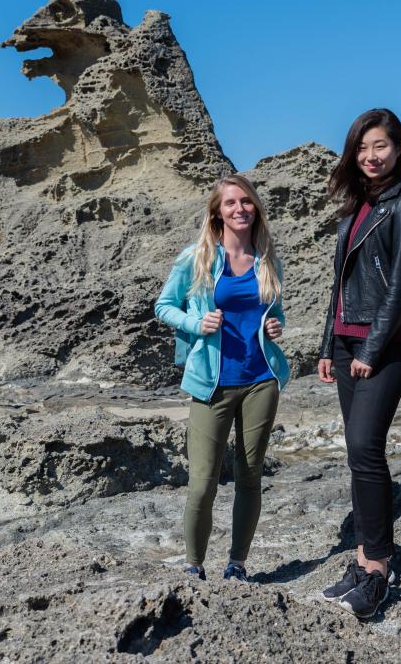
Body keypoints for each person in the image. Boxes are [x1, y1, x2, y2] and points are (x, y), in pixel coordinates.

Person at [316, 108, 401, 619]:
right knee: (358, 454)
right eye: (363, 149)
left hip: (385, 346)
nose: (370, 156)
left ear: (399, 147)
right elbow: (341, 286)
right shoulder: (360, 204)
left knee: (365, 446)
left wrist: (369, 350)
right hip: (346, 346)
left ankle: (379, 569)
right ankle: (364, 561)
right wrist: (327, 346)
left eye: (379, 146)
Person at [155, 174, 290, 583]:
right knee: (202, 483)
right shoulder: (197, 257)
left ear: (256, 209)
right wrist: (197, 322)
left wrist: (277, 328)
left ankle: (237, 564)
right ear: (217, 211)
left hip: (261, 380)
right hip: (211, 384)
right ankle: (194, 565)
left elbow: (274, 314)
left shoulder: (268, 258)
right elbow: (164, 306)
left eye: (246, 202)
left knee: (250, 477)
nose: (240, 209)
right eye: (231, 203)